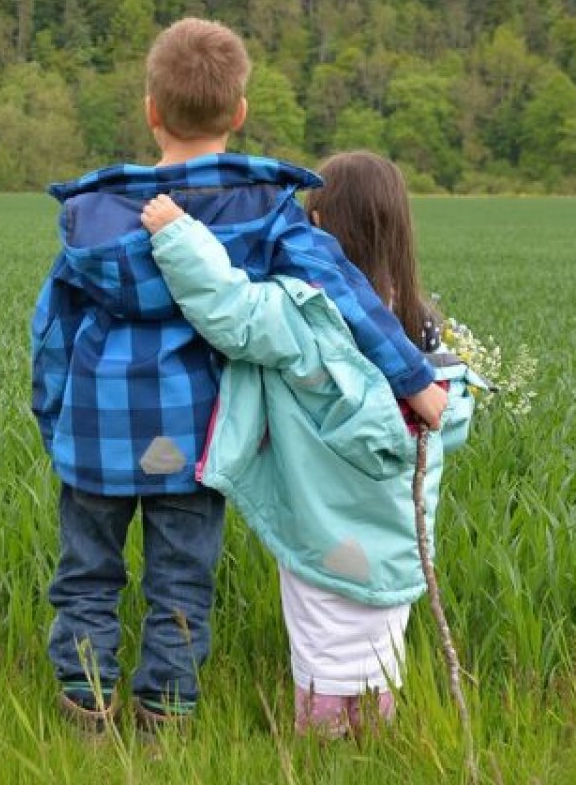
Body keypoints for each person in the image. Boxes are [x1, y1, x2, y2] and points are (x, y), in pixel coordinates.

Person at [31, 18, 446, 739]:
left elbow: (53, 332)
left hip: (95, 433)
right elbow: (344, 294)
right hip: (197, 437)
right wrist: (413, 378)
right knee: (181, 582)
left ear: (151, 111)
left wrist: (54, 419)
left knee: (87, 575)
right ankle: (166, 718)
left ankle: (85, 709)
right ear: (241, 113)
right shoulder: (264, 211)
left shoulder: (93, 218)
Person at [140, 151, 481, 739]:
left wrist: (178, 235)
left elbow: (230, 308)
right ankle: (375, 748)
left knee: (324, 641)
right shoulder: (422, 326)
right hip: (396, 532)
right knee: (379, 645)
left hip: (321, 522)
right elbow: (442, 416)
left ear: (317, 227)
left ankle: (320, 748)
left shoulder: (307, 313)